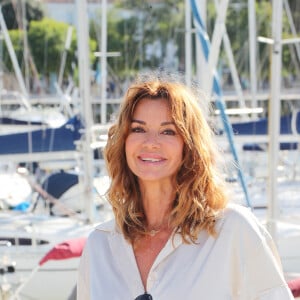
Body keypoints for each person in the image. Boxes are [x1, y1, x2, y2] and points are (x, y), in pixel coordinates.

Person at [77, 73, 293, 299]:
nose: (151, 142)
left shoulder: (233, 231)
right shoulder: (99, 246)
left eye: (168, 131)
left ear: (189, 147)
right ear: (123, 141)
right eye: (138, 129)